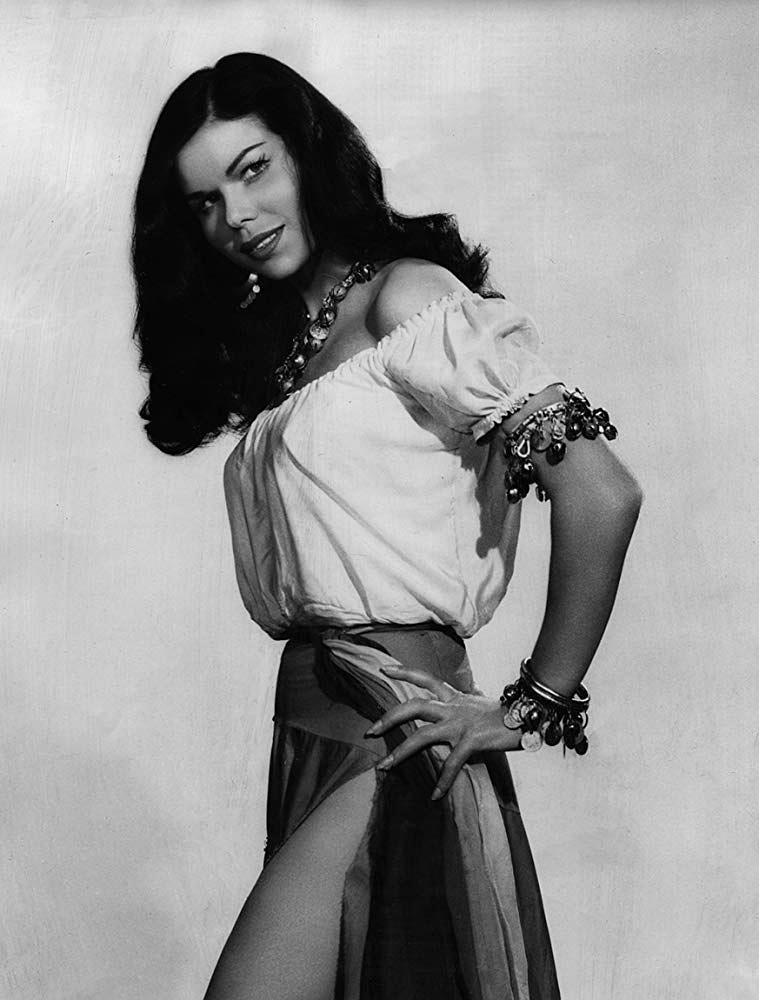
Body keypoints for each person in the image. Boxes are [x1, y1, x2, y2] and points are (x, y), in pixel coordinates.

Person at [132, 52, 642, 1000]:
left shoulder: (406, 297)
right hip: (307, 741)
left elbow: (601, 492)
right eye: (205, 202)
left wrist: (530, 705)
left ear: (308, 154)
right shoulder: (291, 354)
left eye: (253, 170)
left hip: (389, 729)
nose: (236, 216)